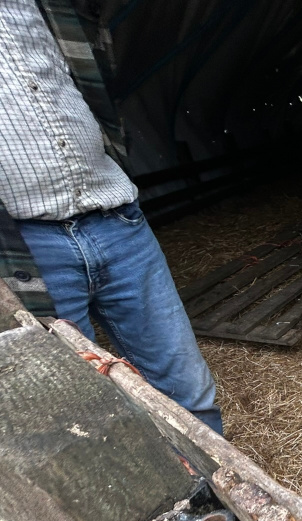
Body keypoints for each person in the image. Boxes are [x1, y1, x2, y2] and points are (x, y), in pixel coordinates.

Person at [0, 0, 223, 433]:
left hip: (116, 218)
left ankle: (220, 490)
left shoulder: (49, 8)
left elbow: (95, 70)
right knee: (76, 404)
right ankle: (155, 495)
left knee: (185, 383)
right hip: (25, 246)